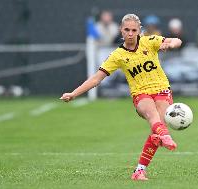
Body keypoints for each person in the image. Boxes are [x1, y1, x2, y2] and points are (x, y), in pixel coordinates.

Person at [60, 14, 182, 181]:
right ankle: (165, 135)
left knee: (156, 130)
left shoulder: (149, 41)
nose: (130, 33)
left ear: (139, 31)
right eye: (127, 30)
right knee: (154, 119)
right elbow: (96, 78)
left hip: (162, 90)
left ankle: (139, 171)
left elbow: (176, 40)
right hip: (141, 94)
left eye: (134, 30)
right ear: (121, 30)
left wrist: (171, 44)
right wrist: (74, 93)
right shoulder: (117, 55)